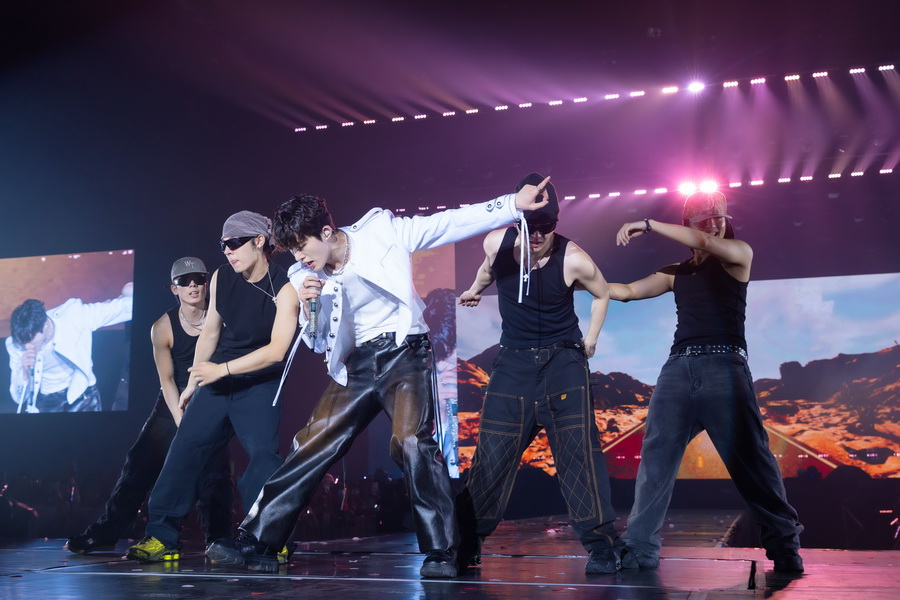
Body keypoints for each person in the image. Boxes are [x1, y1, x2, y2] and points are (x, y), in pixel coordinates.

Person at [205, 178, 551, 578]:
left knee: (411, 442)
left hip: (405, 352)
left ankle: (441, 551)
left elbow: (448, 223)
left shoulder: (382, 232)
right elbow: (316, 342)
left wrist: (512, 204)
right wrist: (311, 307)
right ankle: (258, 540)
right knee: (311, 442)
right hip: (356, 364)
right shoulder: (303, 276)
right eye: (294, 251)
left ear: (327, 232)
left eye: (303, 246)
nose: (300, 258)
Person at [609, 191, 804, 573]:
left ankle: (785, 545)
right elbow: (627, 292)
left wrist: (648, 224)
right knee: (655, 462)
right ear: (688, 223)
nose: (715, 224)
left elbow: (705, 243)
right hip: (676, 372)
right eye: (704, 218)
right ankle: (639, 549)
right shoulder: (676, 272)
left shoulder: (738, 254)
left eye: (719, 217)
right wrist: (576, 280)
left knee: (753, 463)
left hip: (724, 369)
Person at [454, 173, 622, 575]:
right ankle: (466, 544)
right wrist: (475, 289)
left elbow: (602, 293)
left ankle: (601, 547)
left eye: (547, 226)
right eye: (532, 226)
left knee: (578, 455)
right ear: (519, 220)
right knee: (491, 457)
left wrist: (591, 340)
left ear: (556, 223)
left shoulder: (574, 257)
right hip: (513, 363)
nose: (539, 235)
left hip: (563, 363)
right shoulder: (497, 243)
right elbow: (487, 271)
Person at [127, 212, 299, 563]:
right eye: (223, 245)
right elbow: (210, 332)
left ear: (259, 241)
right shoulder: (222, 276)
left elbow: (277, 350)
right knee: (183, 451)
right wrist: (192, 383)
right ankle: (161, 537)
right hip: (217, 383)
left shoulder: (286, 286)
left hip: (259, 384)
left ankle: (271, 536)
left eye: (234, 243)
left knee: (264, 458)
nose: (227, 251)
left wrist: (221, 369)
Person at [66, 258, 233, 555]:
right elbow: (166, 380)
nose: (193, 285)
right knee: (139, 463)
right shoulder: (162, 327)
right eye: (184, 281)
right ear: (174, 289)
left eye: (198, 279)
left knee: (214, 471)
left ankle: (218, 539)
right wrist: (180, 418)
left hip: (212, 399)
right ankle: (106, 532)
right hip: (173, 400)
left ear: (207, 283)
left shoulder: (223, 316)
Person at [7, 284, 133, 413]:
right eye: (23, 343)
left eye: (30, 341)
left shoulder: (74, 316)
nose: (27, 347)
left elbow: (122, 309)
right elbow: (18, 399)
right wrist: (24, 371)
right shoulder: (14, 345)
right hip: (47, 400)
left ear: (45, 326)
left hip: (82, 395)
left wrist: (129, 292)